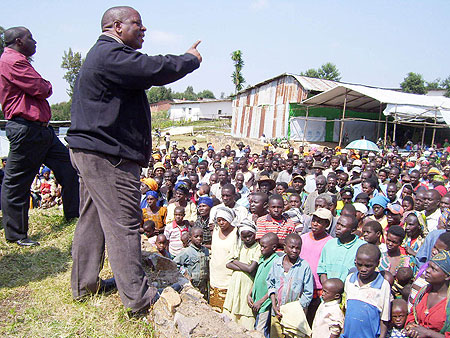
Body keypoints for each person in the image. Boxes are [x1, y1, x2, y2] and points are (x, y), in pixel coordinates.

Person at [66, 6, 201, 314]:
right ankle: (139, 299)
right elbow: (154, 69)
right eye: (136, 24)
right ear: (116, 26)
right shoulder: (110, 54)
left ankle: (83, 284)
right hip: (107, 157)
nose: (143, 29)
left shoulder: (105, 55)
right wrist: (190, 60)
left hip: (94, 152)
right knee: (124, 223)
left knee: (92, 219)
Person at [0, 26, 79, 246]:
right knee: (17, 183)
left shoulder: (19, 60)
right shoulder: (12, 61)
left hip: (41, 130)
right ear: (18, 41)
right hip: (27, 129)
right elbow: (42, 89)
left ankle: (73, 215)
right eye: (30, 39)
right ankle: (16, 235)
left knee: (69, 168)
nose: (35, 42)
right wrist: (46, 84)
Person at [267, 233, 313, 338]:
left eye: (298, 248)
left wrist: (293, 309)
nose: (295, 250)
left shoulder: (304, 267)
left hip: (294, 316)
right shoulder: (277, 263)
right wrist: (274, 304)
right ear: (284, 247)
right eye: (292, 247)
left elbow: (308, 293)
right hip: (276, 313)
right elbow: (271, 284)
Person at [341, 244, 391, 338]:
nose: (363, 269)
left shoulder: (383, 285)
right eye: (359, 265)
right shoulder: (350, 280)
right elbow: (347, 312)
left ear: (377, 263)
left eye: (368, 266)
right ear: (355, 261)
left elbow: (384, 319)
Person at [223, 219, 261, 330]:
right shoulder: (239, 246)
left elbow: (251, 269)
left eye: (250, 236)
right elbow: (227, 264)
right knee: (232, 309)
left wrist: (235, 261)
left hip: (248, 283)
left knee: (245, 312)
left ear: (254, 234)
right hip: (235, 283)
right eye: (244, 237)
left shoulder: (258, 248)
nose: (247, 239)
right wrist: (244, 266)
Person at [405, 250, 450, 337]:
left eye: (434, 269)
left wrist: (427, 333)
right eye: (428, 266)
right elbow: (412, 315)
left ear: (447, 276)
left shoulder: (447, 303)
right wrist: (411, 326)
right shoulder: (423, 292)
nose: (427, 270)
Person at [317, 215, 366, 283]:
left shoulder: (362, 247)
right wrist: (328, 286)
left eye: (343, 226)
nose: (338, 228)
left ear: (353, 230)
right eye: (338, 224)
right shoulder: (330, 244)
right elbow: (322, 269)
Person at [248, 233, 279, 338]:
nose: (261, 249)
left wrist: (261, 301)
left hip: (265, 303)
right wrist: (250, 294)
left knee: (260, 330)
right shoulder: (262, 258)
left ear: (274, 247)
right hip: (256, 300)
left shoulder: (276, 262)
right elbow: (257, 278)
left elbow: (273, 286)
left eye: (264, 247)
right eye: (260, 246)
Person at [209, 206, 239, 312]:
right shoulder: (216, 231)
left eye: (224, 220)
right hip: (215, 273)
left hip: (228, 275)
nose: (221, 223)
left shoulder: (236, 233)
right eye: (219, 220)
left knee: (226, 308)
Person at [173, 227, 209, 299]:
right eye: (196, 236)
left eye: (201, 236)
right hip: (192, 284)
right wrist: (184, 273)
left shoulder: (205, 251)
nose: (199, 238)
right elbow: (174, 264)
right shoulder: (187, 251)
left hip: (203, 285)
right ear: (190, 237)